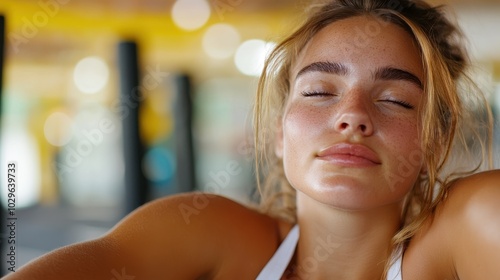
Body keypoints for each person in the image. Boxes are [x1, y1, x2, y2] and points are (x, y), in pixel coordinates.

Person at [4, 0, 500, 279]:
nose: (352, 116)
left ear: (435, 142)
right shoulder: (212, 234)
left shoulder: (464, 234)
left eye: (394, 99)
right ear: (279, 132)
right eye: (320, 91)